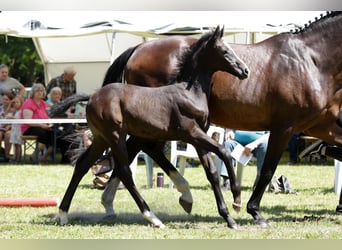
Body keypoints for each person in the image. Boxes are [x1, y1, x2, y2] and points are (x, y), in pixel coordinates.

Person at [21, 83, 54, 163]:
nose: (40, 92)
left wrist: (50, 124)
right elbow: (28, 121)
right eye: (37, 91)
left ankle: (44, 158)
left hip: (44, 127)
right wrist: (41, 125)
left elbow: (49, 116)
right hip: (29, 128)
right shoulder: (28, 103)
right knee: (43, 134)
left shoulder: (44, 103)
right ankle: (34, 156)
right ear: (33, 93)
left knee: (56, 135)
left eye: (42, 91)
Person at [8, 96, 24, 163]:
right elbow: (7, 111)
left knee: (18, 145)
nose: (16, 104)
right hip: (14, 130)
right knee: (15, 144)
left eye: (17, 102)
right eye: (15, 102)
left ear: (21, 103)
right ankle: (15, 158)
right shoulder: (14, 111)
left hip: (19, 130)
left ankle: (18, 159)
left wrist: (13, 119)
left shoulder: (21, 111)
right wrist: (10, 103)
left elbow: (21, 120)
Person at [0, 93, 15, 161]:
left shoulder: (14, 109)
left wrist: (11, 125)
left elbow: (16, 119)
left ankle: (7, 156)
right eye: (3, 99)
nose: (4, 101)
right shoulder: (0, 108)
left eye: (7, 100)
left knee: (8, 134)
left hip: (11, 128)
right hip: (1, 128)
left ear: (11, 101)